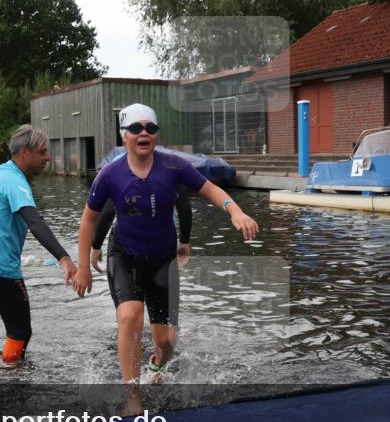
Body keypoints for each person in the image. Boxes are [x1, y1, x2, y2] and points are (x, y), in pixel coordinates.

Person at [73, 103, 259, 388]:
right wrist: (83, 266)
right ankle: (132, 395)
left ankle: (156, 364)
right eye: (136, 128)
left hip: (162, 259)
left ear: (156, 134)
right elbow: (89, 219)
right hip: (125, 255)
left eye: (150, 128)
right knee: (129, 315)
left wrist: (236, 211)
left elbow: (210, 189)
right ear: (124, 136)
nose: (143, 133)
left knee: (166, 340)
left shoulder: (174, 166)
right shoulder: (110, 175)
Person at [0, 124, 76, 362]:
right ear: (25, 151)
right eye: (43, 151)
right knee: (20, 334)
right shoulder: (15, 181)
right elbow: (35, 222)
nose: (47, 157)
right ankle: (15, 390)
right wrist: (64, 258)